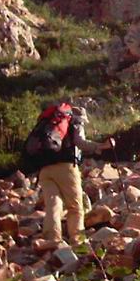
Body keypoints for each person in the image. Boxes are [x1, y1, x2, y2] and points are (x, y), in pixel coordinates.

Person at [38, 105, 113, 247]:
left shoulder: (48, 124)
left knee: (53, 204)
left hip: (44, 169)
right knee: (75, 207)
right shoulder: (75, 122)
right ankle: (78, 241)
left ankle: (51, 240)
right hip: (65, 168)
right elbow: (80, 142)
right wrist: (102, 146)